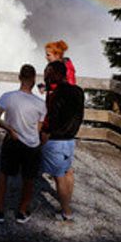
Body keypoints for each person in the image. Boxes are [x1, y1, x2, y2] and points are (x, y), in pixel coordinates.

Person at [0, 64, 47, 224]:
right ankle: (21, 212)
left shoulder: (8, 97)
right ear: (34, 80)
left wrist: (10, 129)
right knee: (29, 178)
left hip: (12, 141)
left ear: (20, 78)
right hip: (32, 145)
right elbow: (38, 129)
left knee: (4, 174)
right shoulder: (40, 103)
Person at [40, 59, 85, 221]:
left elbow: (52, 118)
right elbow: (79, 116)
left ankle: (66, 212)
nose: (47, 76)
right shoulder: (78, 91)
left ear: (57, 74)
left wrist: (46, 133)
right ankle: (66, 201)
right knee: (68, 171)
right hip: (70, 139)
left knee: (58, 176)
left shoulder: (57, 95)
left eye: (49, 74)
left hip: (56, 140)